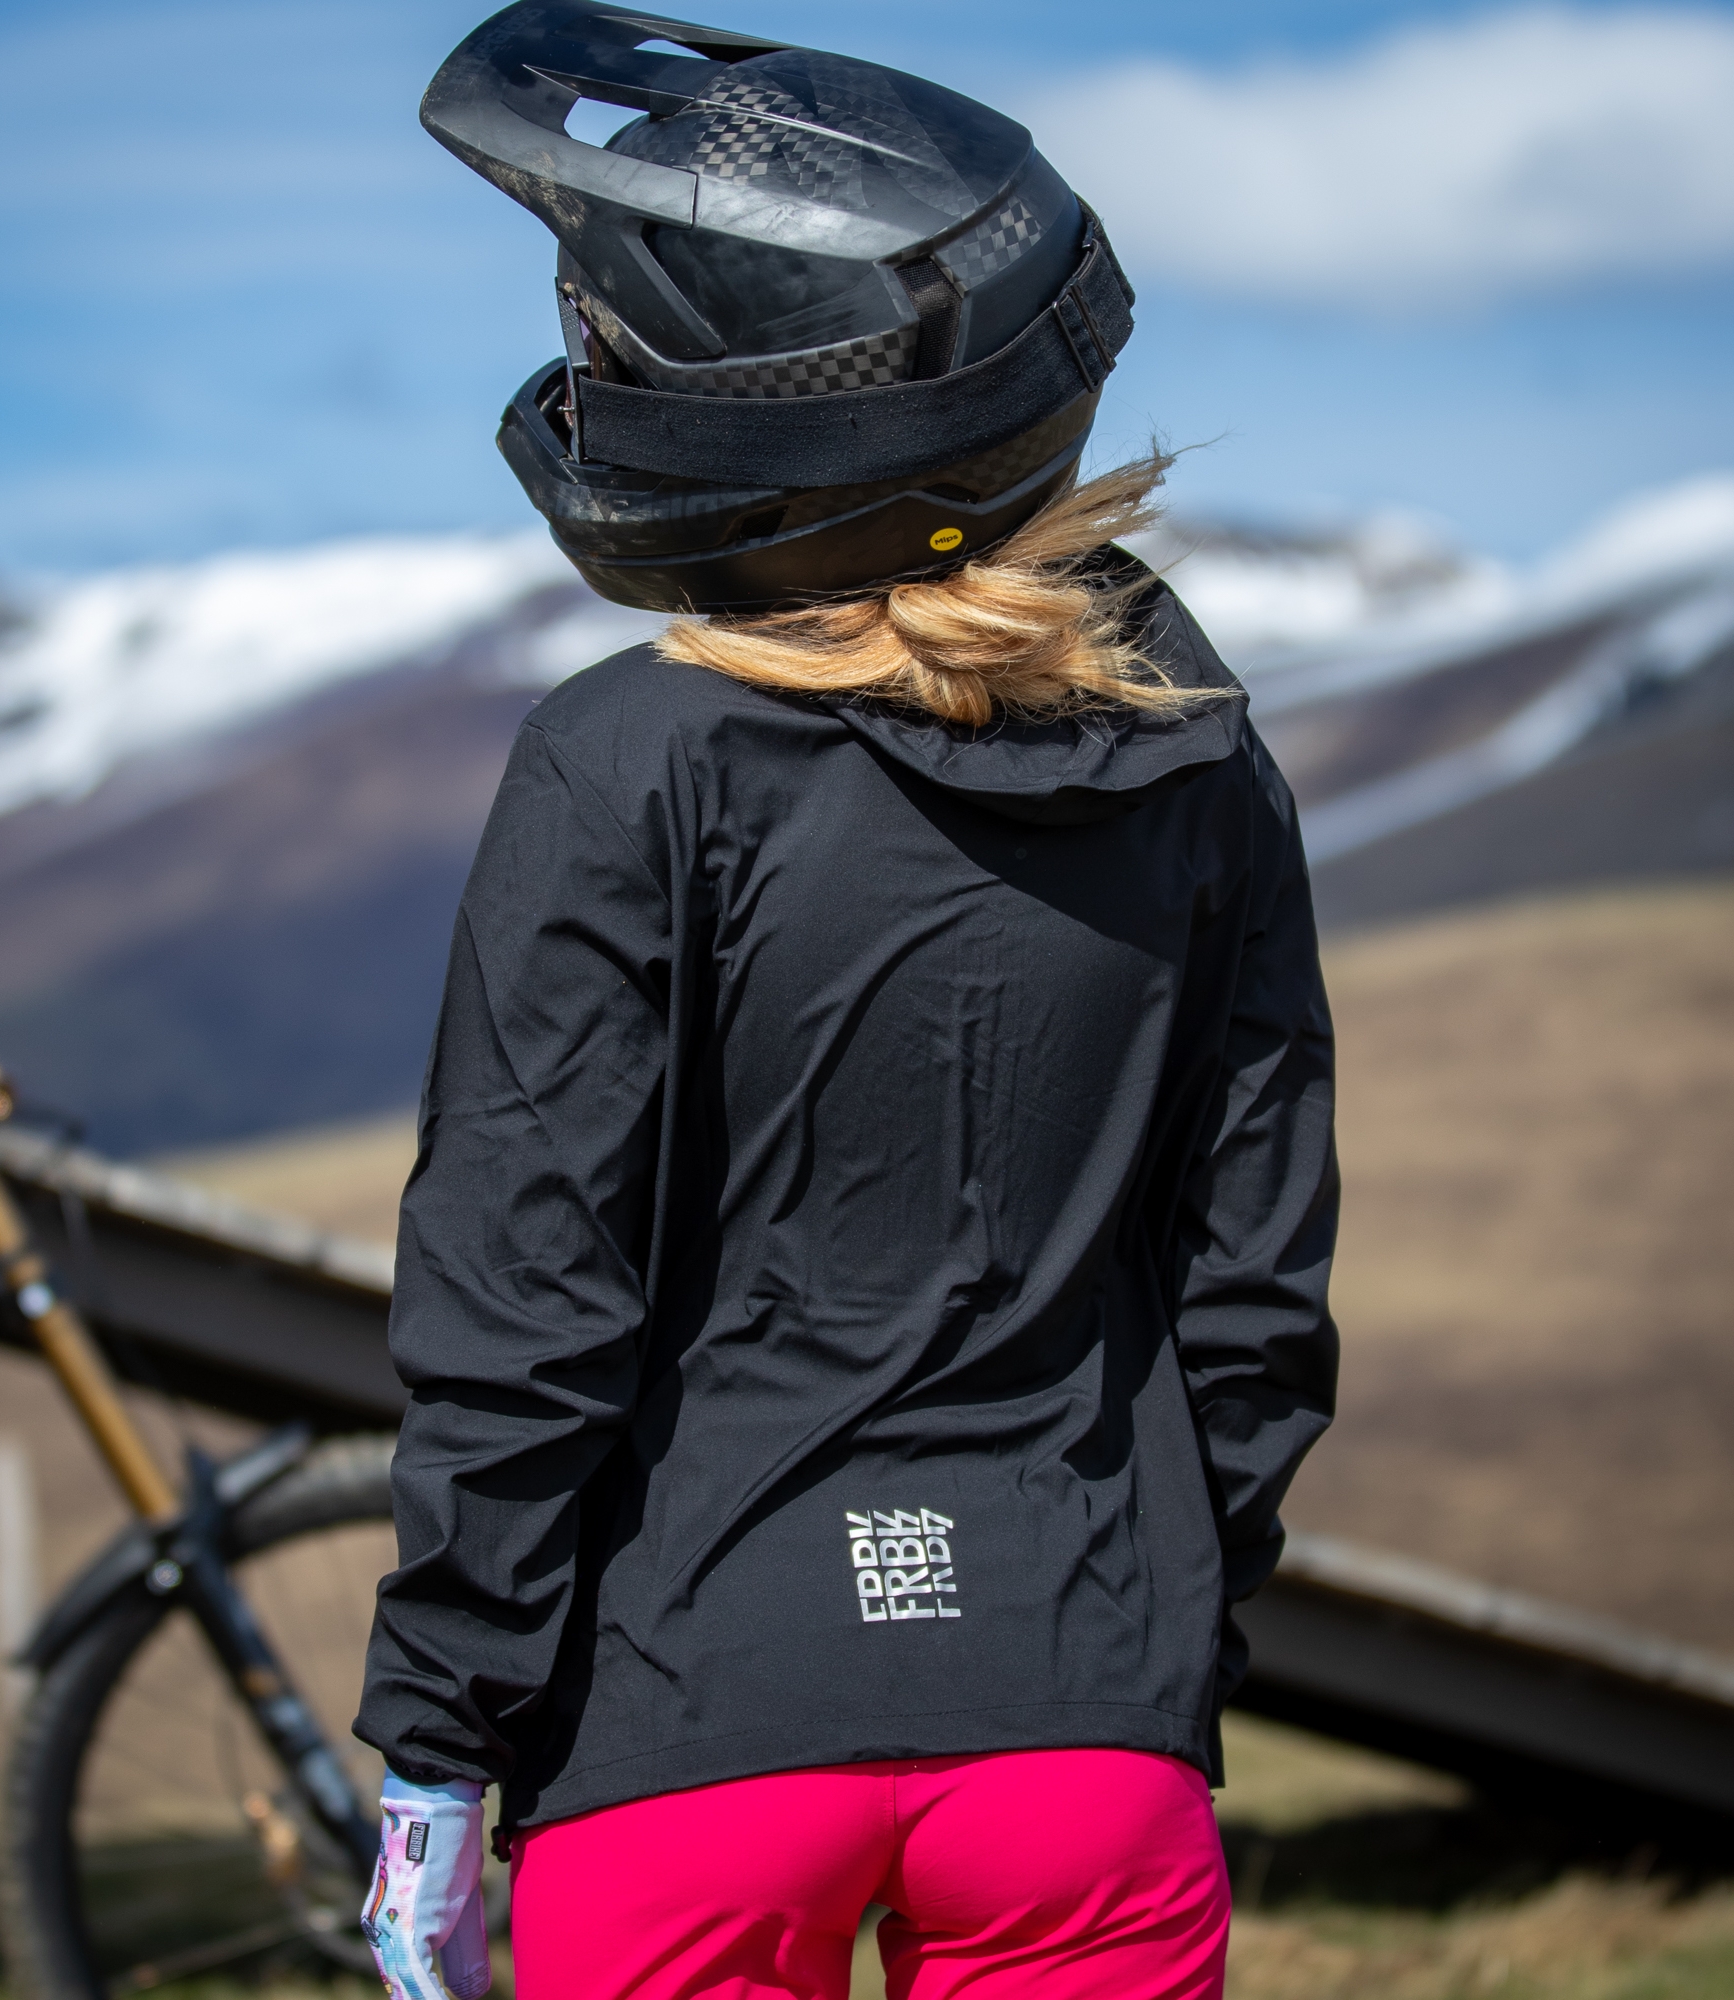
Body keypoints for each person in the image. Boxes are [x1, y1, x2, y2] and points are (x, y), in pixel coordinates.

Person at [355, 5, 1340, 1996]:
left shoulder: (625, 761)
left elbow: (525, 1299)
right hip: (1083, 1728)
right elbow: (1252, 1284)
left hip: (682, 1729)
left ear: (754, 416)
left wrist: (439, 1744)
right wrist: (1151, 1632)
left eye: (611, 339)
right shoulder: (1202, 759)